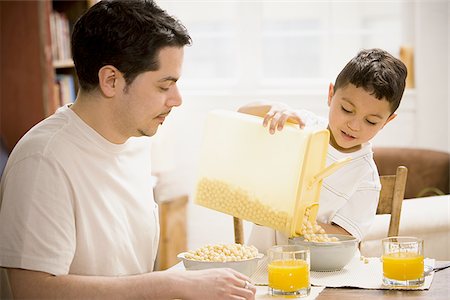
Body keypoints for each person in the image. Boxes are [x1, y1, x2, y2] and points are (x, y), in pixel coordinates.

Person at [0, 1, 256, 299]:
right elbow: (32, 291)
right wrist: (172, 284)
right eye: (164, 86)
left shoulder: (134, 142)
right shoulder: (43, 160)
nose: (177, 99)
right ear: (111, 80)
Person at [238, 48, 407, 252]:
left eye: (370, 121)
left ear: (387, 122)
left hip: (319, 271)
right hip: (262, 259)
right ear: (330, 95)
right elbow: (241, 113)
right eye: (346, 110)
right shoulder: (301, 125)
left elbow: (347, 235)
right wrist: (276, 107)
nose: (354, 125)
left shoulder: (365, 177)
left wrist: (290, 221)